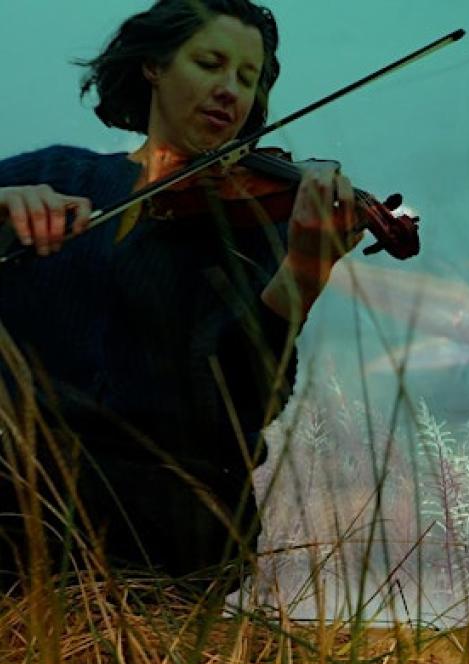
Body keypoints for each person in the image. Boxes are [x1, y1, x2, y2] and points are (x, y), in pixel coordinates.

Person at [0, 0, 360, 590]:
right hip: (21, 506)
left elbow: (241, 405)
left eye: (247, 79)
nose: (229, 91)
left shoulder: (258, 221)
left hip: (163, 528)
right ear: (155, 67)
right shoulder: (57, 175)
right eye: (210, 63)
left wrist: (301, 279)